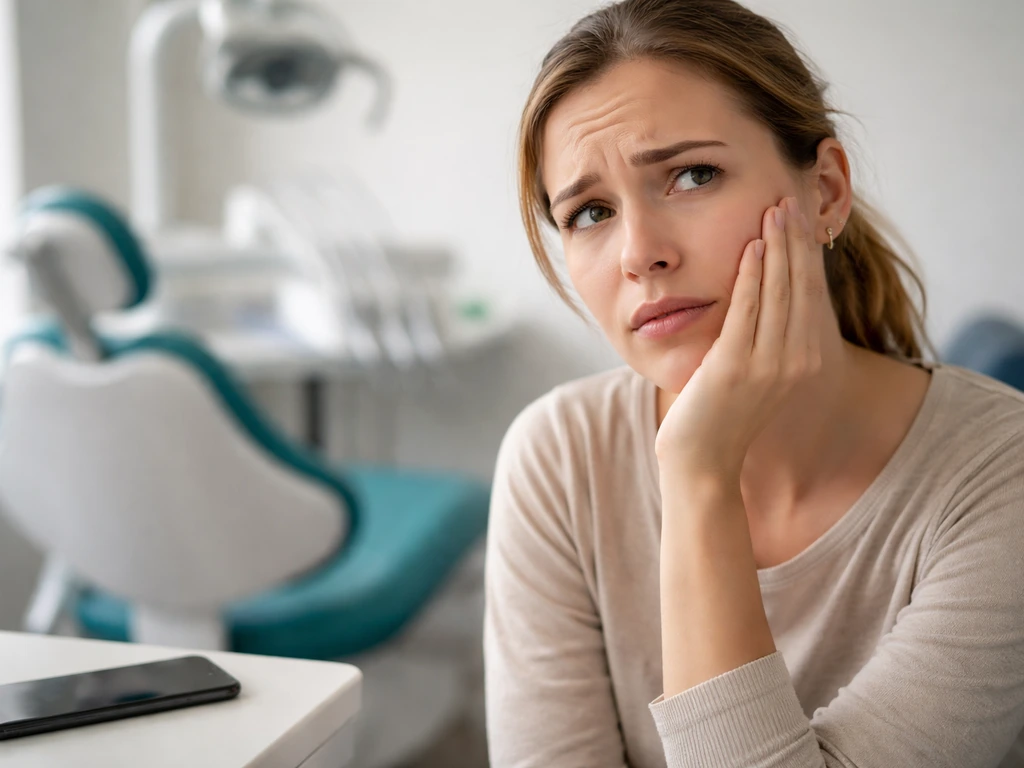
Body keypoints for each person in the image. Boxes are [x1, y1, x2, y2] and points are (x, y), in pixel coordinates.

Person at [482, 1, 1024, 766]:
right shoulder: (558, 457)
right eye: (591, 212)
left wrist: (700, 476)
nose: (640, 253)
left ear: (825, 192)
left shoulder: (1003, 475)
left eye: (692, 175)